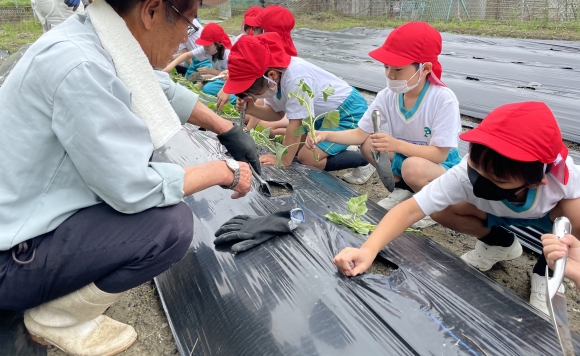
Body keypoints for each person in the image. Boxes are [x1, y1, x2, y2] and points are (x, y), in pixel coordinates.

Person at [0, 0, 261, 356]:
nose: (188, 40)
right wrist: (221, 170)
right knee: (168, 227)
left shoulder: (95, 36)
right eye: (189, 22)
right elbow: (132, 189)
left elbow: (158, 87)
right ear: (153, 10)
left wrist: (225, 128)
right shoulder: (82, 66)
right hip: (9, 250)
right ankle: (52, 317)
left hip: (20, 207)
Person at [333, 101, 580, 316]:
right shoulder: (466, 173)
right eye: (476, 166)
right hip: (492, 213)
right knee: (438, 207)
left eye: (497, 179)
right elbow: (409, 210)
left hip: (546, 219)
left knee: (576, 210)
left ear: (536, 181)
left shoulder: (563, 180)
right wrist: (368, 250)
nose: (480, 178)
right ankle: (500, 244)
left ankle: (547, 268)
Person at [306, 22, 462, 223]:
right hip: (407, 157)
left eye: (397, 69)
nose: (390, 75)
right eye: (386, 67)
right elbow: (359, 134)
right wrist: (326, 135)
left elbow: (440, 153)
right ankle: (403, 190)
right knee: (369, 143)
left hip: (440, 166)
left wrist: (396, 145)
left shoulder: (442, 99)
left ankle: (435, 204)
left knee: (412, 167)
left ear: (425, 69)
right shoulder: (388, 96)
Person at [225, 33, 368, 170]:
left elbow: (296, 122)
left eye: (253, 91)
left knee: (307, 158)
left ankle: (360, 154)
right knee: (296, 145)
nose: (253, 95)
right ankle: (340, 144)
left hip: (346, 113)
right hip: (318, 118)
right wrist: (252, 109)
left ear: (272, 75)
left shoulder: (295, 78)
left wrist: (283, 160)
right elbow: (277, 113)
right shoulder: (271, 79)